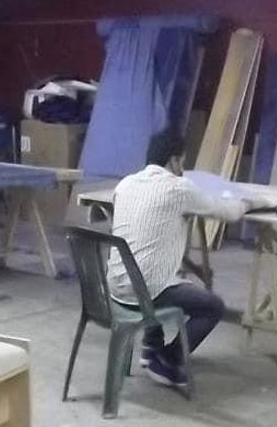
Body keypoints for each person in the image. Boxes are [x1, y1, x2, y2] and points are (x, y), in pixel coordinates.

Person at [106, 128, 266, 388]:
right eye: (182, 161)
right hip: (147, 292)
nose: (183, 167)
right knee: (212, 306)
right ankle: (166, 359)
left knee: (155, 270)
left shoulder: (124, 185)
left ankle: (151, 346)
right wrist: (252, 202)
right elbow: (230, 213)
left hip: (116, 288)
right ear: (173, 160)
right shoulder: (179, 188)